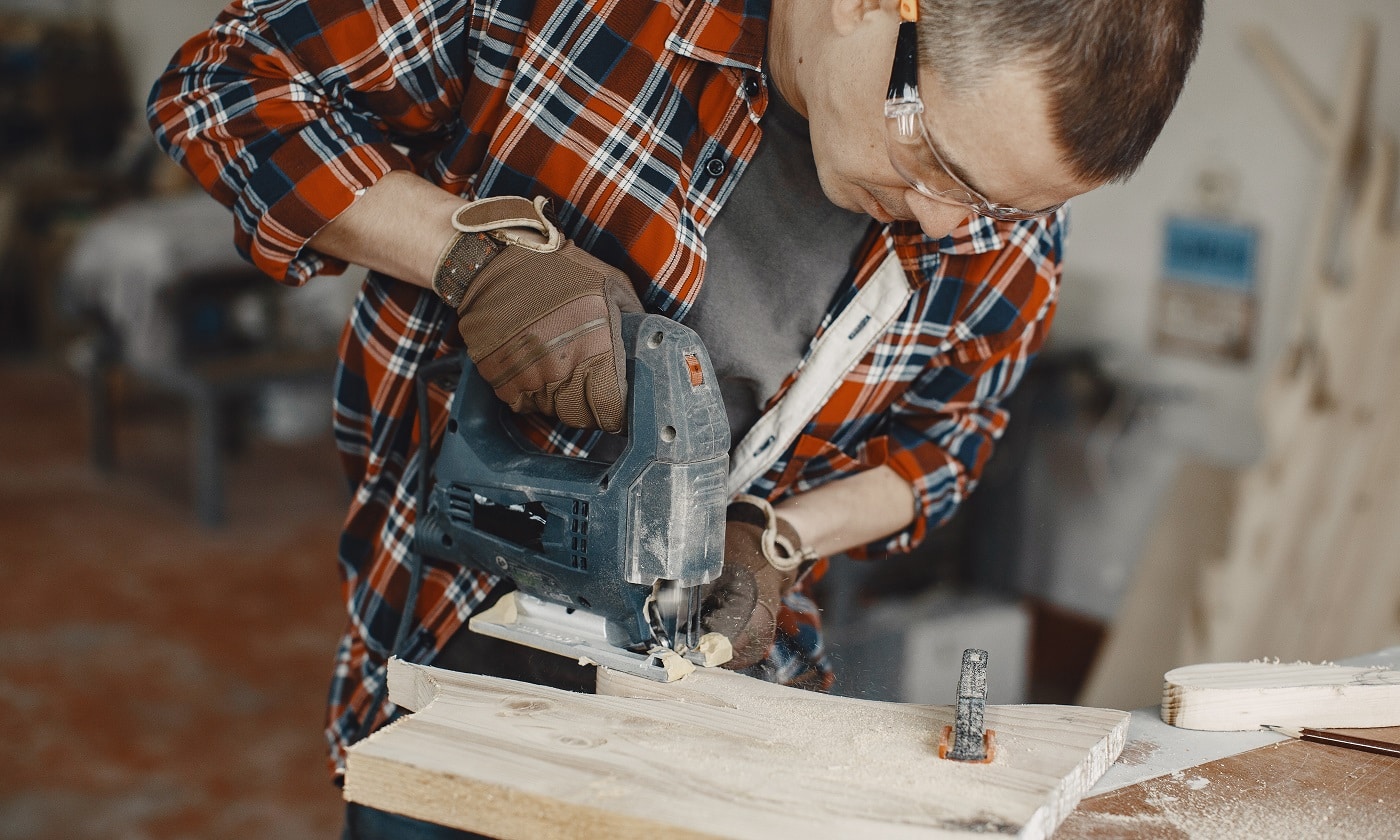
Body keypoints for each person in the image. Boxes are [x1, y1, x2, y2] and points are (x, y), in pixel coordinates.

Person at [149, 0, 1202, 834]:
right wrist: (465, 254)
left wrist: (782, 540)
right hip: (448, 677)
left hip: (724, 704)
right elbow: (226, 91)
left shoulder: (998, 216)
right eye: (938, 163)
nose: (949, 225)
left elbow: (947, 443)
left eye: (1005, 207)